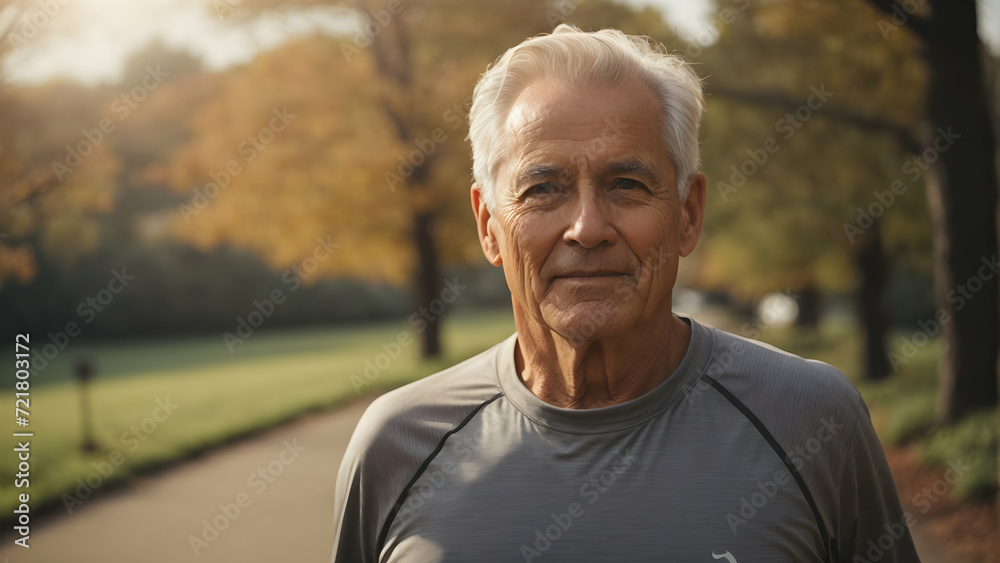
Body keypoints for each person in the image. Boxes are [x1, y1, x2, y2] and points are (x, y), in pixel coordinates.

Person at [331, 24, 920, 563]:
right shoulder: (398, 445)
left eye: (627, 184)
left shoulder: (812, 420)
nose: (587, 227)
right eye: (543, 188)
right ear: (488, 224)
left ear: (688, 214)